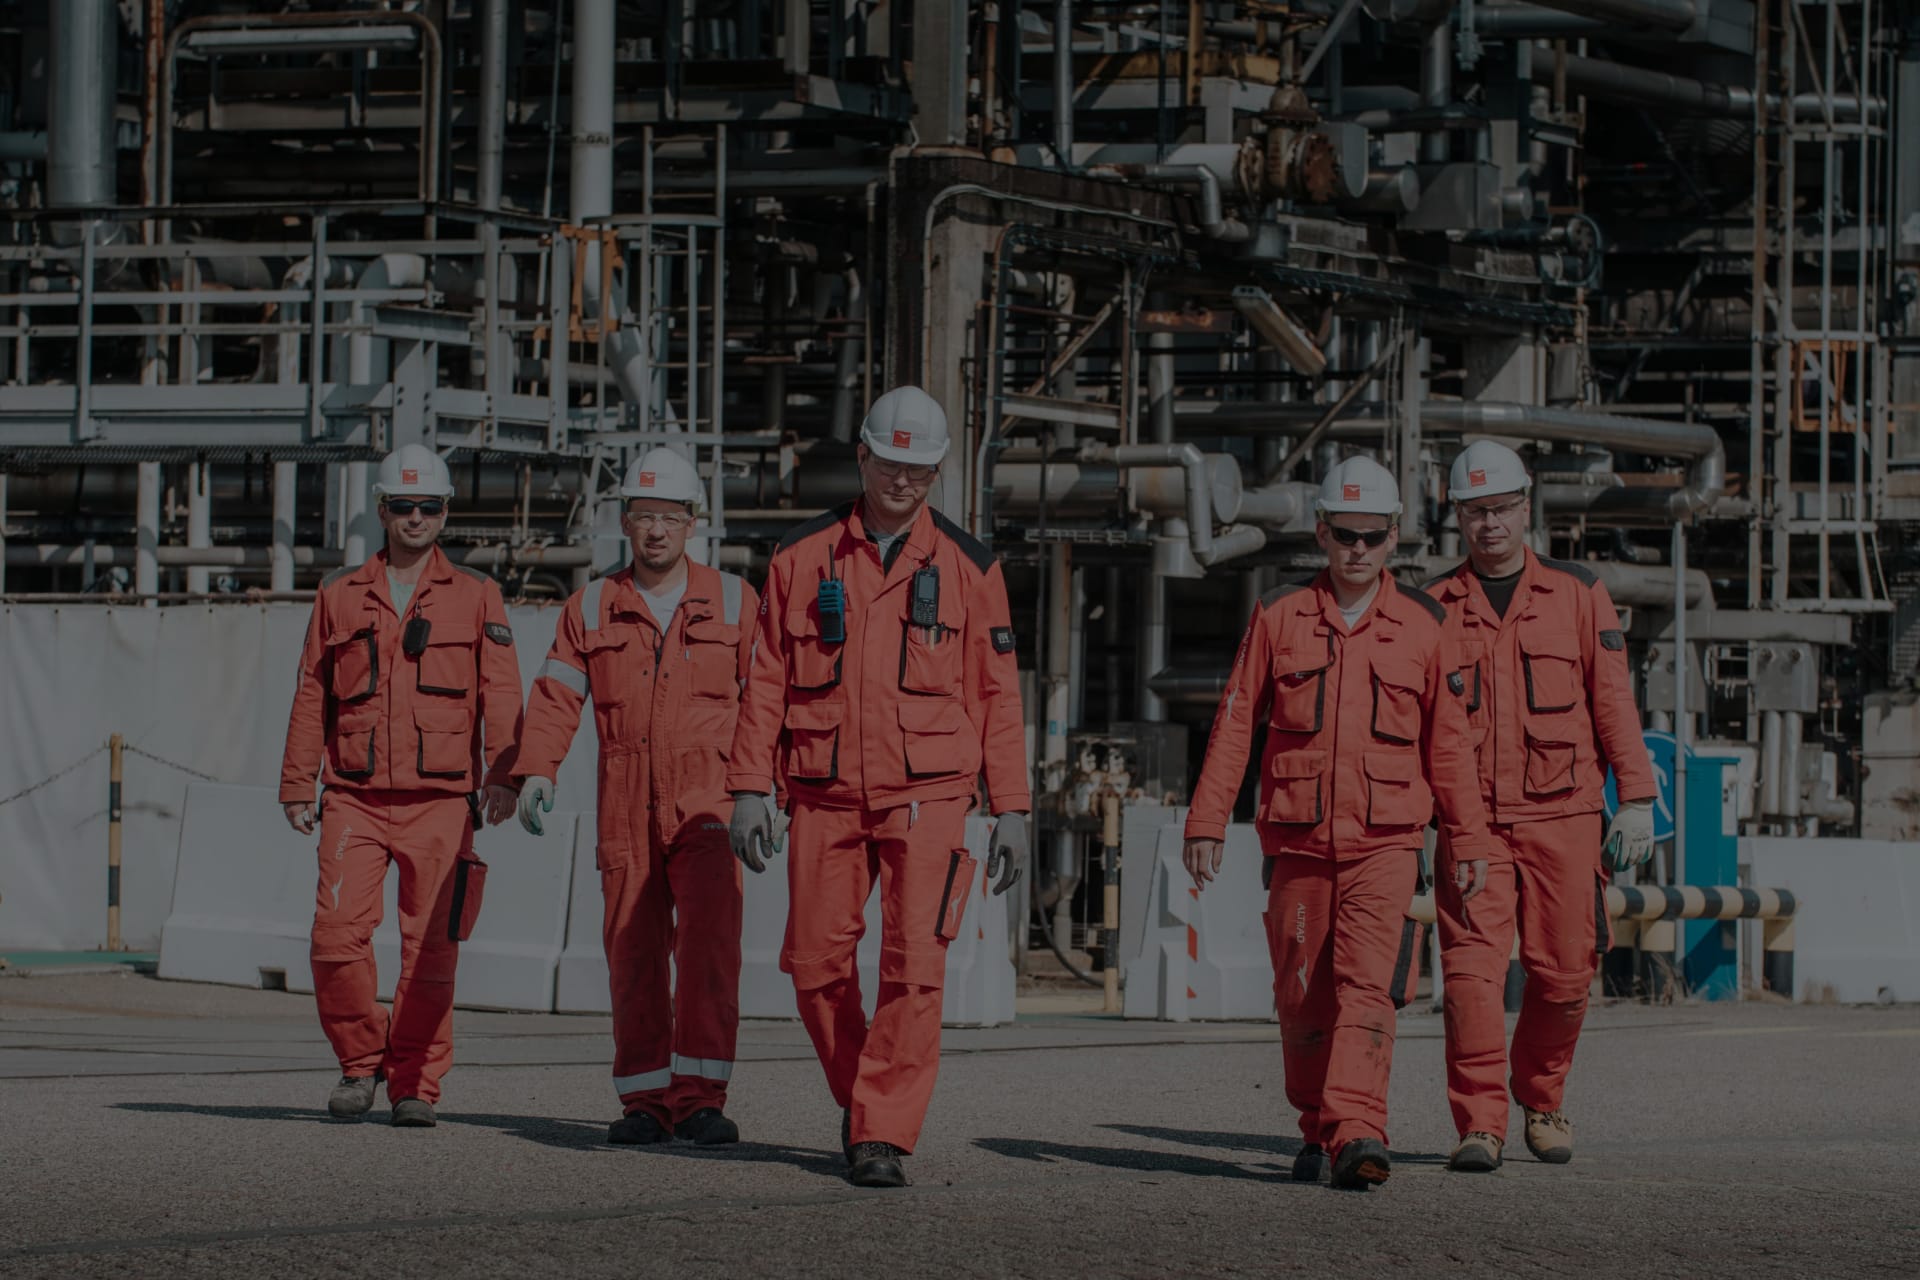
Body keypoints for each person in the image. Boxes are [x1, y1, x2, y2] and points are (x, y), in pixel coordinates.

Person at [726, 385, 1030, 1189]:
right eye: (890, 463)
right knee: (812, 966)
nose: (902, 480)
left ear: (937, 472)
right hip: (823, 791)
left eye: (919, 469)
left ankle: (880, 1132)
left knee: (914, 969)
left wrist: (1013, 806)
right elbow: (766, 679)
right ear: (861, 456)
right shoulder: (801, 556)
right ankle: (867, 1095)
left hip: (930, 796)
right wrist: (749, 785)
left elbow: (997, 693)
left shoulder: (970, 566)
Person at [1182, 454, 1493, 1190]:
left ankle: (1357, 1130)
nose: (1358, 549)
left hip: (1386, 843)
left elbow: (1449, 745)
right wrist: (1206, 819)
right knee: (1301, 999)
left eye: (1373, 536)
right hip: (1298, 842)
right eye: (1345, 534)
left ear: (1393, 538)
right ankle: (1318, 1126)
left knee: (1366, 988)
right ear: (1321, 531)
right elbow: (1235, 722)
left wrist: (1469, 836)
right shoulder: (1279, 615)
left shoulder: (1426, 625)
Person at [511, 447, 757, 1146]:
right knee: (634, 958)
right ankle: (646, 1102)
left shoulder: (736, 601)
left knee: (710, 955)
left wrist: (764, 791)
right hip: (626, 810)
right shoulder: (591, 605)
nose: (656, 530)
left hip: (708, 809)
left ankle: (700, 1099)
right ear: (624, 521)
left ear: (692, 524)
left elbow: (769, 703)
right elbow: (556, 695)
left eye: (670, 517)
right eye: (644, 516)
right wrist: (538, 769)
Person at [1426, 440, 1657, 1172]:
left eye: (1500, 508)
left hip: (1565, 815)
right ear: (1457, 516)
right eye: (1474, 512)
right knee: (1470, 979)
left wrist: (1637, 796)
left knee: (1564, 975)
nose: (1489, 524)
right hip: (1473, 824)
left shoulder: (1578, 593)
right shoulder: (1433, 607)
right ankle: (1480, 1124)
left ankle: (1542, 1097)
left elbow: (1613, 701)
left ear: (1526, 509)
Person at [280, 443, 523, 1127]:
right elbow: (312, 691)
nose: (416, 517)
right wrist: (298, 781)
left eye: (429, 506)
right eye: (403, 505)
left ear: (445, 512)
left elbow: (502, 692)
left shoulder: (476, 594)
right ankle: (360, 1062)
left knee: (431, 952)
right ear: (382, 510)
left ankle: (415, 1082)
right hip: (353, 797)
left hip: (442, 801)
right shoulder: (338, 593)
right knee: (335, 937)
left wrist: (505, 775)